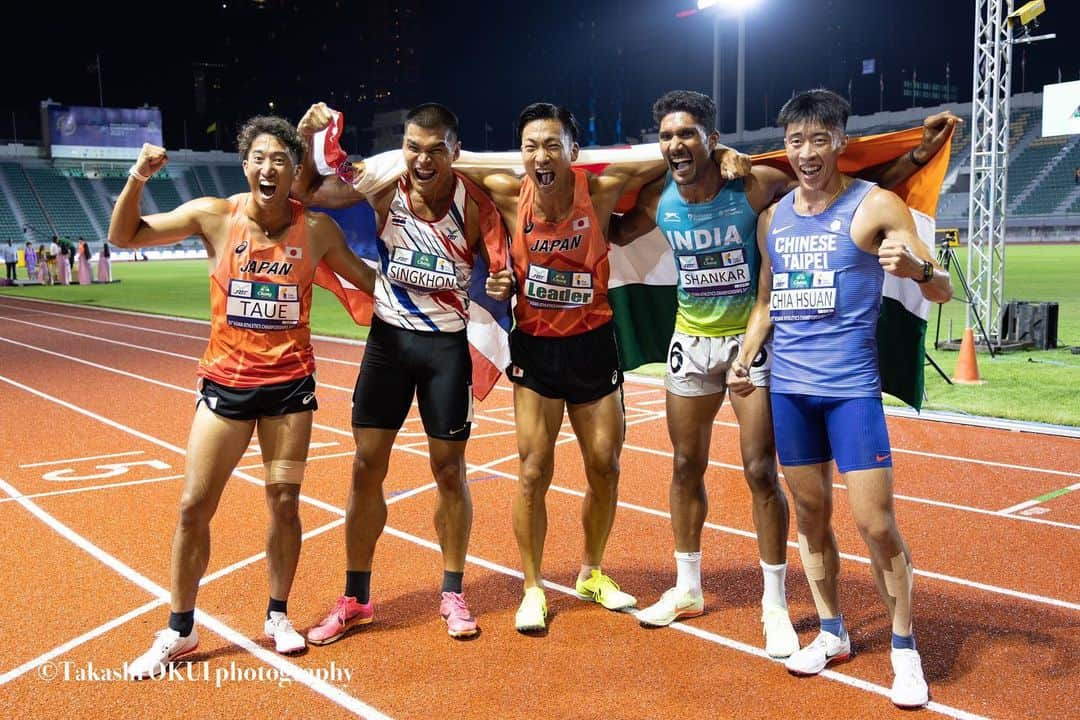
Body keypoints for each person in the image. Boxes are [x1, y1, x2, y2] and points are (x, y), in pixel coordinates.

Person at [609, 91, 957, 657]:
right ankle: (688, 587)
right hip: (695, 340)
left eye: (689, 134)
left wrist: (916, 159)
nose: (677, 144)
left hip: (761, 340)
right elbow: (615, 230)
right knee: (683, 463)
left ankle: (776, 604)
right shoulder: (659, 195)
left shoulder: (754, 184)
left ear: (712, 139)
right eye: (668, 136)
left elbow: (855, 187)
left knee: (759, 471)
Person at [461, 103, 749, 632]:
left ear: (575, 152)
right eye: (531, 146)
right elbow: (443, 165)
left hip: (594, 344)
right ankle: (532, 587)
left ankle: (592, 573)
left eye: (553, 145)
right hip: (536, 349)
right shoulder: (507, 192)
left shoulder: (600, 191)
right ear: (519, 153)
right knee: (532, 471)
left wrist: (722, 151)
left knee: (605, 466)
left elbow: (672, 160)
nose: (541, 156)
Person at [109, 116, 377, 678]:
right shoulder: (214, 215)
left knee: (283, 502)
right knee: (192, 507)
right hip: (224, 389)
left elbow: (370, 282)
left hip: (289, 393)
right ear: (245, 163)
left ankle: (278, 615)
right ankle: (179, 629)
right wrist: (137, 176)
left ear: (294, 170)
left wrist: (447, 277)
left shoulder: (318, 230)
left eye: (280, 159)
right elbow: (124, 236)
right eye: (259, 156)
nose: (268, 167)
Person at [729, 89, 952, 708]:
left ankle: (905, 650)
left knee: (876, 524)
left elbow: (943, 289)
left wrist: (916, 270)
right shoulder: (774, 218)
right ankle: (832, 632)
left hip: (851, 391)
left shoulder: (874, 204)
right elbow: (767, 303)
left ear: (841, 142)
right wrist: (745, 357)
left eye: (819, 139)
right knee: (810, 519)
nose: (806, 153)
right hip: (790, 393)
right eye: (796, 141)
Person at [292, 101, 505, 642]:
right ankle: (357, 597)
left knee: (449, 472)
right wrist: (306, 138)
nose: (423, 159)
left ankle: (453, 592)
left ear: (455, 151)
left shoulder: (476, 205)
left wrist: (503, 283)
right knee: (365, 468)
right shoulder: (386, 188)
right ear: (403, 148)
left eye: (436, 149)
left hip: (446, 350)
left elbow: (508, 262)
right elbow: (309, 190)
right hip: (388, 342)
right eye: (414, 147)